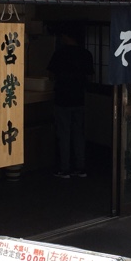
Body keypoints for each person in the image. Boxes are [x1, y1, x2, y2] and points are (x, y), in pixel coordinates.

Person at [47, 28, 94, 179]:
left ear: (66, 36)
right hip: (79, 98)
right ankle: (81, 167)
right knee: (79, 134)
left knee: (64, 134)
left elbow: (51, 74)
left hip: (62, 98)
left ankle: (64, 168)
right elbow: (90, 77)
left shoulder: (60, 53)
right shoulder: (85, 53)